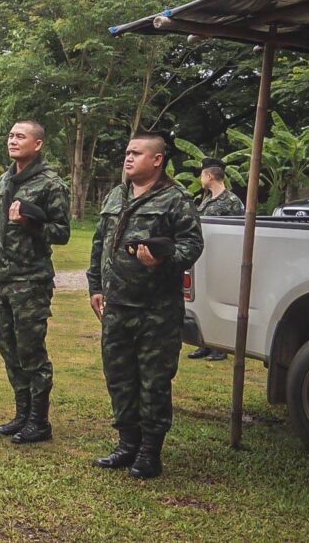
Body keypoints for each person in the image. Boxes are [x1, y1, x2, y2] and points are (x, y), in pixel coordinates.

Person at [87, 132, 203, 479]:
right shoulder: (117, 194)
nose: (128, 158)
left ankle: (150, 452)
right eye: (127, 152)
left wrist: (163, 261)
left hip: (156, 309)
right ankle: (127, 444)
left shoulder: (175, 199)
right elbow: (100, 242)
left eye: (136, 153)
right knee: (119, 376)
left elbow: (192, 244)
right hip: (117, 306)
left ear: (157, 160)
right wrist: (95, 285)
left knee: (153, 381)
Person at [0, 121, 71, 444]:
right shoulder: (6, 179)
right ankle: (21, 414)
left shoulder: (51, 184)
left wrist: (30, 224)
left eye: (20, 136)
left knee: (31, 351)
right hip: (3, 277)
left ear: (37, 144)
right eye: (10, 135)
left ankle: (39, 420)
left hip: (31, 280)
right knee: (9, 349)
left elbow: (62, 233)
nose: (12, 140)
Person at [188, 157, 244, 362]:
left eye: (202, 175)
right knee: (204, 303)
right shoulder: (207, 199)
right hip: (204, 258)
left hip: (223, 260)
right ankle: (205, 343)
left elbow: (240, 232)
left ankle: (221, 347)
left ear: (210, 176)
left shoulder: (232, 202)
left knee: (222, 304)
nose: (201, 178)